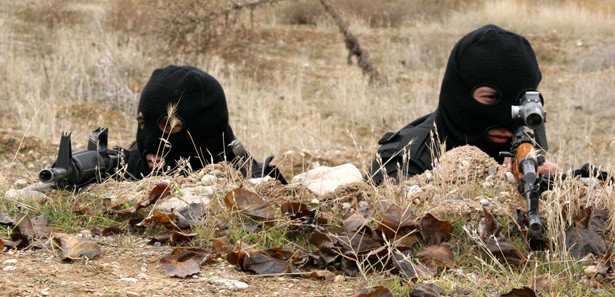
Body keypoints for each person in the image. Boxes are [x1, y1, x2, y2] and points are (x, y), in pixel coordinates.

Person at [367, 25, 558, 184]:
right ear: (458, 94)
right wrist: (499, 185)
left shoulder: (520, 149)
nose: (506, 117)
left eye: (519, 103)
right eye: (491, 98)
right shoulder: (401, 162)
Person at [123, 65, 285, 183]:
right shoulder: (126, 165)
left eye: (169, 126)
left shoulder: (252, 187)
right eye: (143, 123)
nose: (151, 142)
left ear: (203, 130)